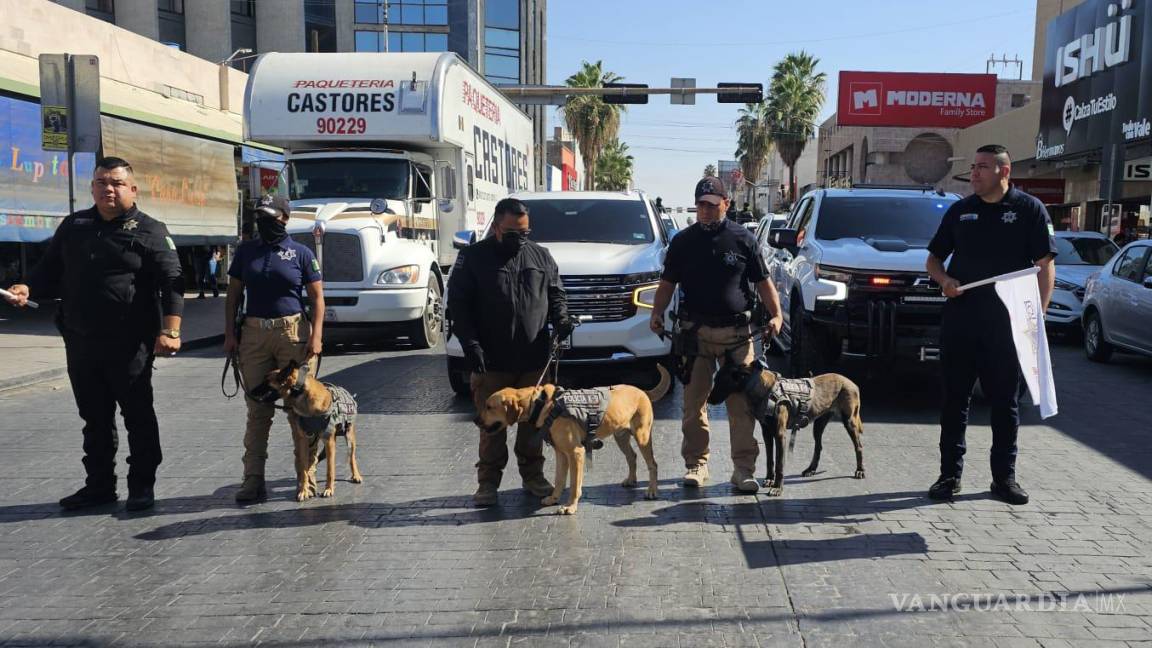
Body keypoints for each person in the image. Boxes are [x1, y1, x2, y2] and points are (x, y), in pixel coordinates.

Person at [3, 157, 183, 511]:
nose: (108, 189)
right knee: (95, 418)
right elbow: (49, 268)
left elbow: (172, 283)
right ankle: (99, 486)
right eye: (101, 182)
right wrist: (27, 287)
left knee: (137, 416)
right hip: (81, 340)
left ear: (133, 189)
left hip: (129, 344)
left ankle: (141, 485)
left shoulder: (150, 230)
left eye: (116, 183)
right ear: (92, 188)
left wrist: (170, 331)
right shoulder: (76, 225)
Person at [925, 144, 1057, 505]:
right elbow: (933, 260)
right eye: (974, 166)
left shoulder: (1029, 210)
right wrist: (944, 281)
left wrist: (1038, 316)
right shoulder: (960, 211)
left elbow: (1044, 265)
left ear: (1004, 171)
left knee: (1005, 404)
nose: (975, 173)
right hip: (961, 323)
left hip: (1007, 326)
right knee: (955, 402)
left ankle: (1004, 479)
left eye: (982, 167)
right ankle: (949, 477)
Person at [648, 177, 783, 493]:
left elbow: (763, 283)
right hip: (695, 335)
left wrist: (776, 314)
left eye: (711, 204)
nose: (705, 211)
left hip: (738, 336)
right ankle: (697, 464)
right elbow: (667, 284)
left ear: (726, 204)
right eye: (700, 205)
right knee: (694, 404)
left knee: (741, 406)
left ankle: (743, 470)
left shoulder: (744, 240)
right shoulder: (682, 242)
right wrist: (657, 313)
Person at [447, 197, 572, 507]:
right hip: (491, 361)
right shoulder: (473, 258)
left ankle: (533, 477)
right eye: (515, 233)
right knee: (491, 428)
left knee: (533, 426)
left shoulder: (541, 257)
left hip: (533, 361)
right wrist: (470, 345)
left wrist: (563, 319)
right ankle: (488, 483)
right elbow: (458, 307)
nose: (522, 239)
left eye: (526, 233)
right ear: (497, 227)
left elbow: (556, 295)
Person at [223, 194, 324, 503]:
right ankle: (252, 480)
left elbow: (317, 298)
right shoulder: (246, 252)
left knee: (302, 410)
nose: (263, 222)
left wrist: (316, 336)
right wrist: (229, 334)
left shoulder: (301, 253)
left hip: (292, 333)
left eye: (269, 216)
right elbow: (233, 295)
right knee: (258, 410)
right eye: (259, 217)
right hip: (254, 334)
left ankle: (307, 475)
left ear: (284, 218)